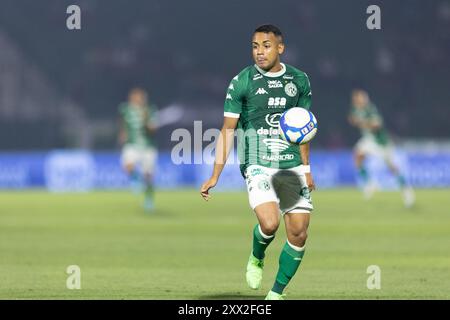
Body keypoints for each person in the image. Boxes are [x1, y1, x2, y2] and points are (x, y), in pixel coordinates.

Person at [200, 25, 315, 300]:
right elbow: (228, 130)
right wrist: (215, 175)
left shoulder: (299, 81)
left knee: (299, 232)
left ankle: (276, 294)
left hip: (290, 163)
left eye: (266, 45)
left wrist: (307, 169)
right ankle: (257, 254)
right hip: (257, 160)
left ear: (280, 48)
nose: (259, 52)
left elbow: (304, 129)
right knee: (270, 223)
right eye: (255, 46)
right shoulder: (242, 81)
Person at [348, 89, 415, 207]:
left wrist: (361, 122)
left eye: (360, 98)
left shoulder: (370, 109)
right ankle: (370, 184)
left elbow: (377, 124)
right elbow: (352, 118)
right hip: (369, 140)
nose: (358, 100)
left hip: (381, 142)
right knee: (357, 156)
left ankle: (406, 190)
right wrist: (354, 121)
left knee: (392, 167)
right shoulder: (356, 109)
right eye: (357, 98)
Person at [118, 88, 158, 211]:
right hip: (132, 144)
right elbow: (123, 122)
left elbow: (153, 131)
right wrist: (122, 133)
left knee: (149, 176)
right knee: (127, 166)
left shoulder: (150, 110)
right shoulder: (125, 109)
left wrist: (146, 120)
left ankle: (149, 200)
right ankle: (136, 180)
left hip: (147, 146)